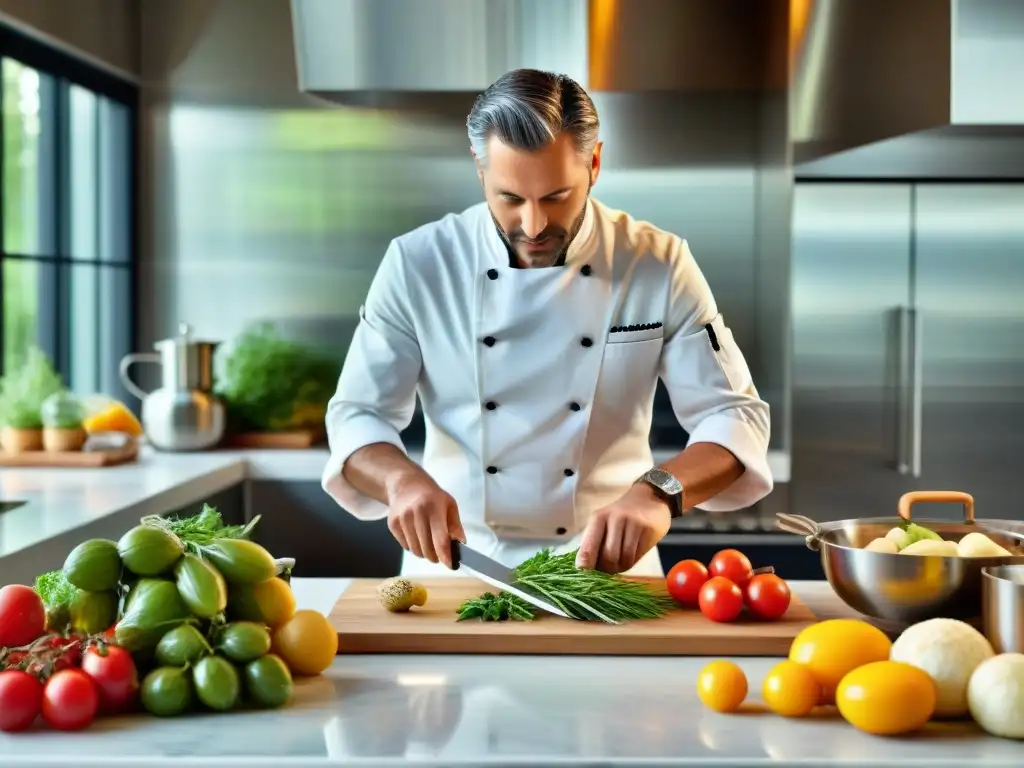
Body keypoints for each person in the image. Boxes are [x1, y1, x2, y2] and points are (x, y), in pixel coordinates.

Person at [321, 68, 772, 579]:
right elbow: (357, 414)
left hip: (609, 572)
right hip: (455, 566)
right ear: (479, 169)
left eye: (556, 196)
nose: (532, 226)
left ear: (595, 162)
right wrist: (401, 481)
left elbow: (734, 416)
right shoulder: (418, 263)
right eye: (510, 198)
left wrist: (658, 493)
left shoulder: (657, 262)